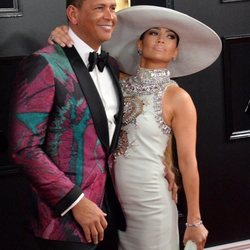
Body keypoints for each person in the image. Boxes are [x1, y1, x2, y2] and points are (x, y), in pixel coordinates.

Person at [47, 5, 222, 250]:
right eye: (154, 33)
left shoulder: (178, 97)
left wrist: (194, 220)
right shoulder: (115, 80)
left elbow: (189, 162)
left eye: (170, 36)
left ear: (175, 52)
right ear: (139, 44)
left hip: (152, 202)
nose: (162, 39)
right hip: (112, 202)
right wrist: (60, 33)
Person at [9, 0, 127, 250]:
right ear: (73, 14)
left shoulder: (113, 66)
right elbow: (24, 148)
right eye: (99, 8)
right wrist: (76, 202)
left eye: (112, 8)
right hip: (63, 221)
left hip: (109, 213)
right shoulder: (44, 64)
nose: (109, 16)